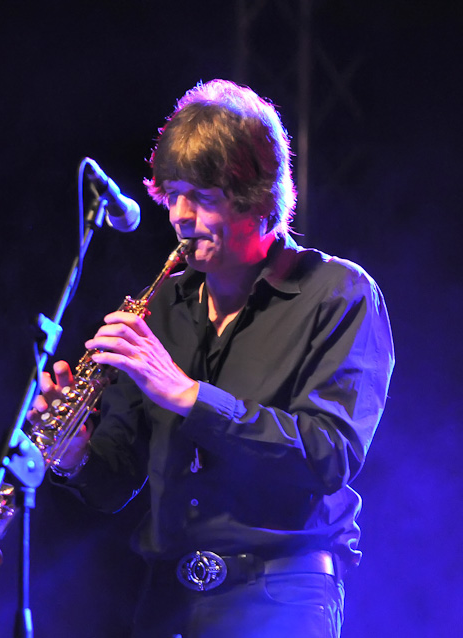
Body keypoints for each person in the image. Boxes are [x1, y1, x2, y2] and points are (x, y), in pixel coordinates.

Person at [30, 80, 394, 638]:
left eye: (201, 196)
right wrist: (74, 452)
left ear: (257, 197)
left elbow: (330, 455)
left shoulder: (338, 293)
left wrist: (190, 396)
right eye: (172, 193)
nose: (179, 215)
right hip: (167, 600)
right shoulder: (161, 307)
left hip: (281, 592)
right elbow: (116, 484)